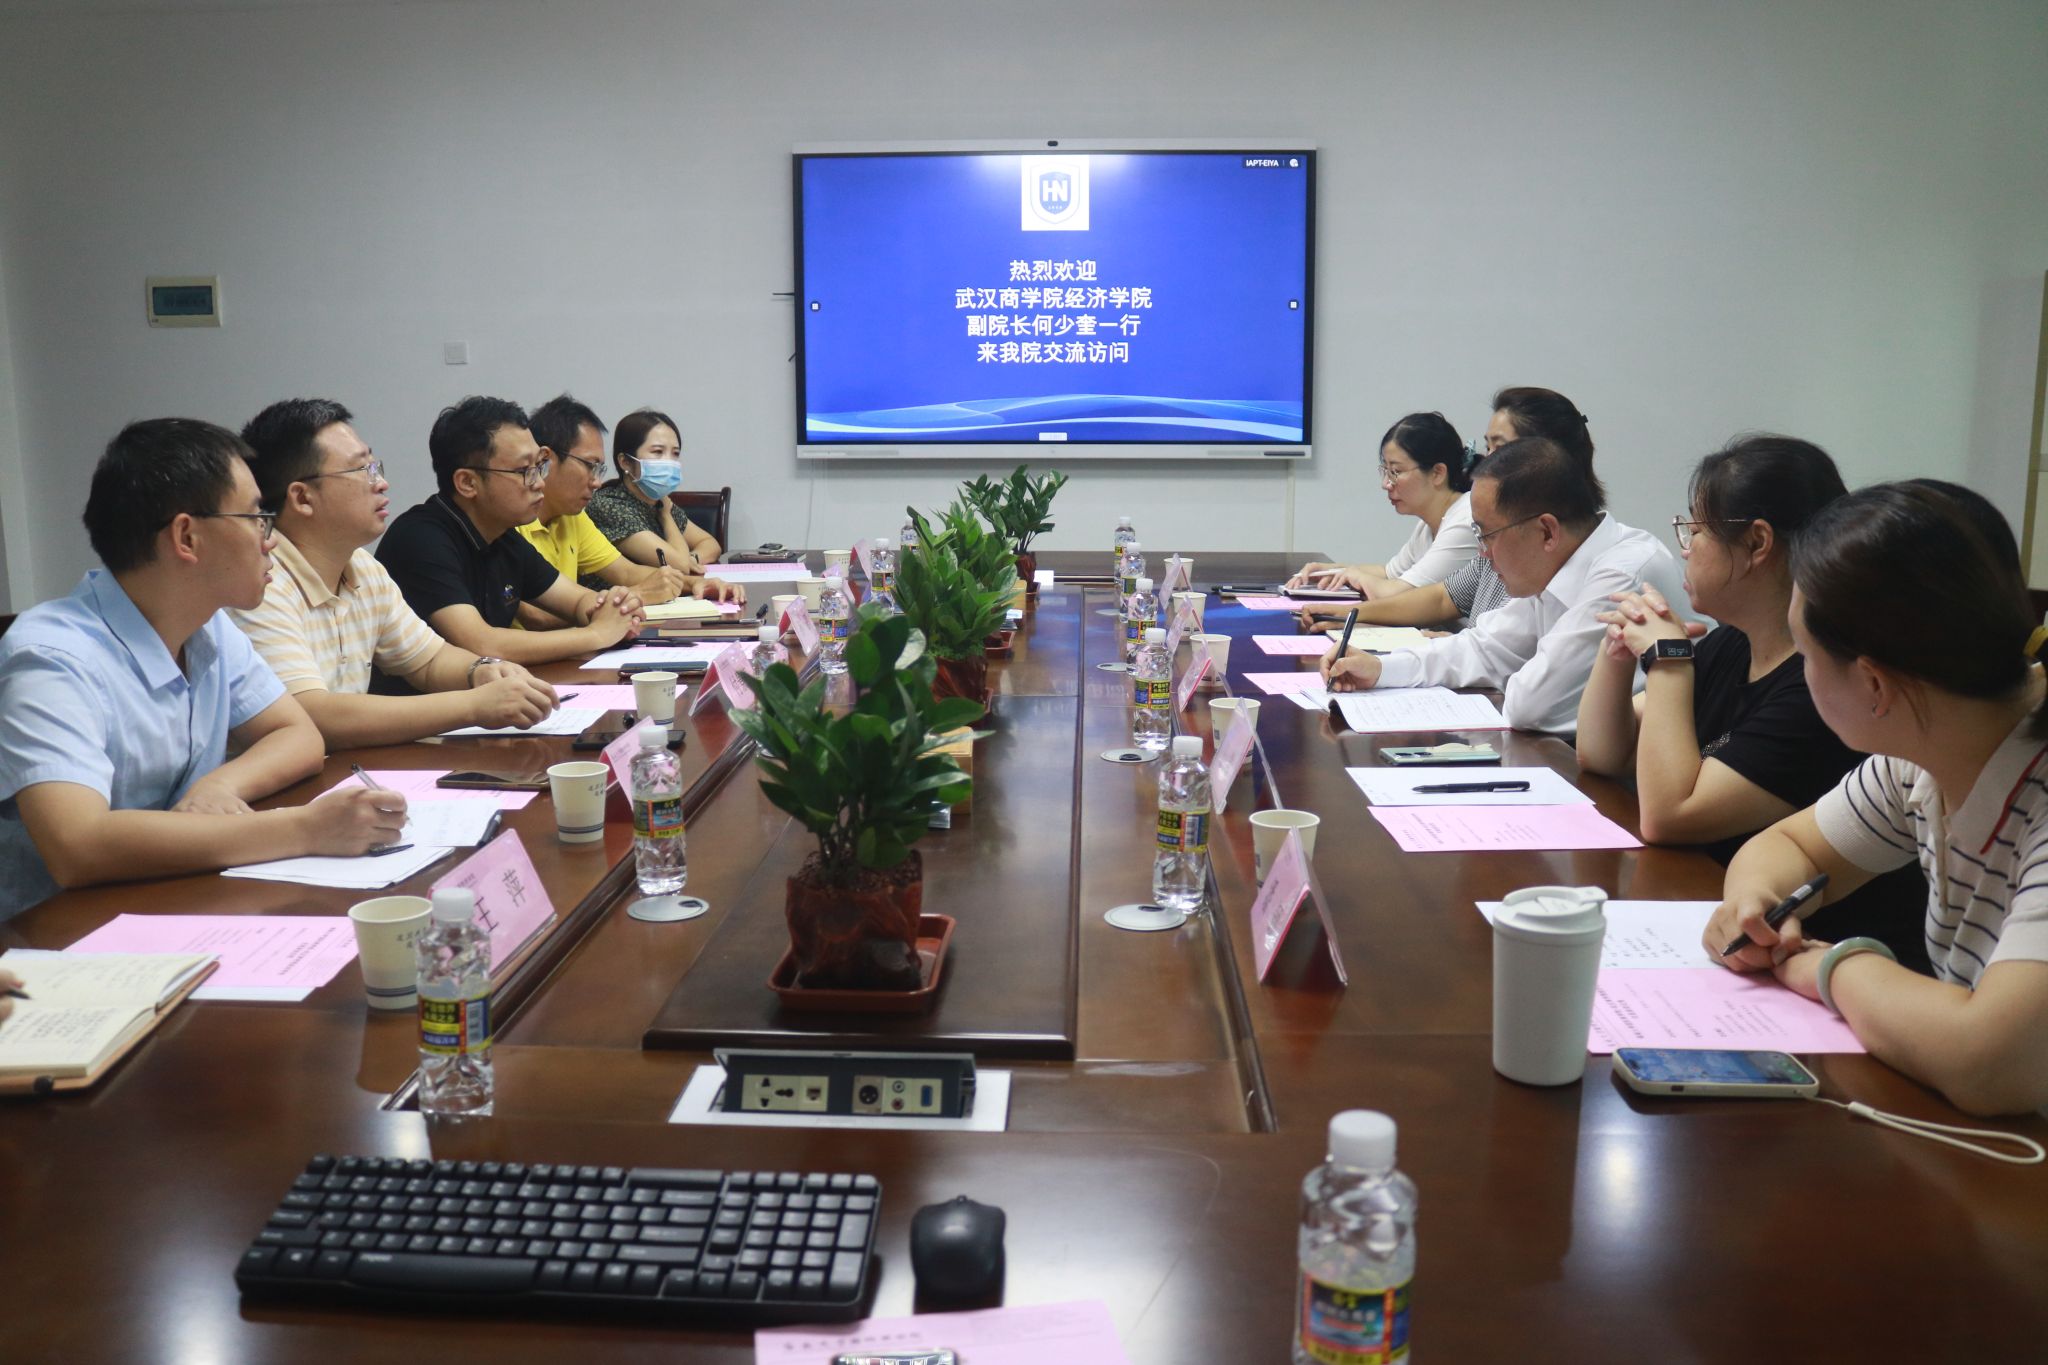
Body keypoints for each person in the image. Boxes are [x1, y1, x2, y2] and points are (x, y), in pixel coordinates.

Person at [1706, 483, 2048, 1116]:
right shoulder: (1923, 752)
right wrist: (1756, 904)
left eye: (1804, 652)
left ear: (1872, 684)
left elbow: (1989, 1061)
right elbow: (1790, 844)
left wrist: (1832, 967)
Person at [0, 419, 405, 919]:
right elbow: (78, 845)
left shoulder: (207, 627)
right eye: (256, 517)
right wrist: (306, 829)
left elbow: (298, 735)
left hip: (174, 900)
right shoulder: (51, 658)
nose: (271, 540)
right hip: (62, 934)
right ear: (187, 537)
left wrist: (218, 786)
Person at [1574, 435, 1927, 969]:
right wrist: (1619, 650)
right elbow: (1602, 753)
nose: (1685, 548)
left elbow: (1669, 817)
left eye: (1696, 530)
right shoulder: (1731, 644)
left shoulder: (1821, 690)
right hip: (1735, 930)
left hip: (1834, 955)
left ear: (1758, 542)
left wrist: (1669, 661)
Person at [232, 398, 563, 747]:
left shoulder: (362, 567)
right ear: (302, 498)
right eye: (361, 470)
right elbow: (311, 714)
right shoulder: (260, 583)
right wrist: (474, 705)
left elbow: (430, 660)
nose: (381, 483)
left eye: (375, 467)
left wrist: (481, 671)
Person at [1319, 435, 1688, 733]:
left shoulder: (1620, 575)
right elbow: (1484, 649)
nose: (1482, 553)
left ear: (1546, 531)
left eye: (1487, 534)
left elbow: (1533, 707)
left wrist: (1512, 670)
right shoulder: (1558, 562)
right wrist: (1381, 669)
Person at [374, 396, 648, 666]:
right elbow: (482, 644)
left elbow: (578, 601)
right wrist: (596, 634)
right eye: (524, 470)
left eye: (539, 467)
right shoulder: (420, 539)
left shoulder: (503, 537)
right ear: (467, 483)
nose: (540, 482)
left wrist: (615, 607)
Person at [1297, 387, 1595, 633]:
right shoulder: (1496, 546)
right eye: (1488, 448)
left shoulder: (1572, 566)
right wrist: (1348, 614)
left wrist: (1443, 643)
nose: (1488, 461)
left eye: (1500, 448)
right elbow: (1442, 598)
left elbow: (1493, 653)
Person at [516, 394, 743, 620]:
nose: (596, 482)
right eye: (590, 465)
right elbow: (537, 617)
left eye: (599, 469)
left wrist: (696, 583)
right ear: (546, 459)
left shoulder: (572, 517)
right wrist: (638, 594)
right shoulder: (514, 523)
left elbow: (626, 572)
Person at [1285, 412, 1476, 597]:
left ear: (1437, 473)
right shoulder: (1427, 526)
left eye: (1395, 471)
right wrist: (1333, 571)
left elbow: (1402, 594)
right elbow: (1389, 574)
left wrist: (1354, 576)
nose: (1386, 484)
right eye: (1385, 470)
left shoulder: (1466, 520)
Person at [586, 408, 721, 573]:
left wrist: (693, 559)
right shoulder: (608, 506)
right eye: (658, 452)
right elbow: (680, 565)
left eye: (675, 453)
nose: (669, 461)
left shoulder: (658, 501)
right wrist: (666, 517)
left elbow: (710, 544)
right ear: (625, 462)